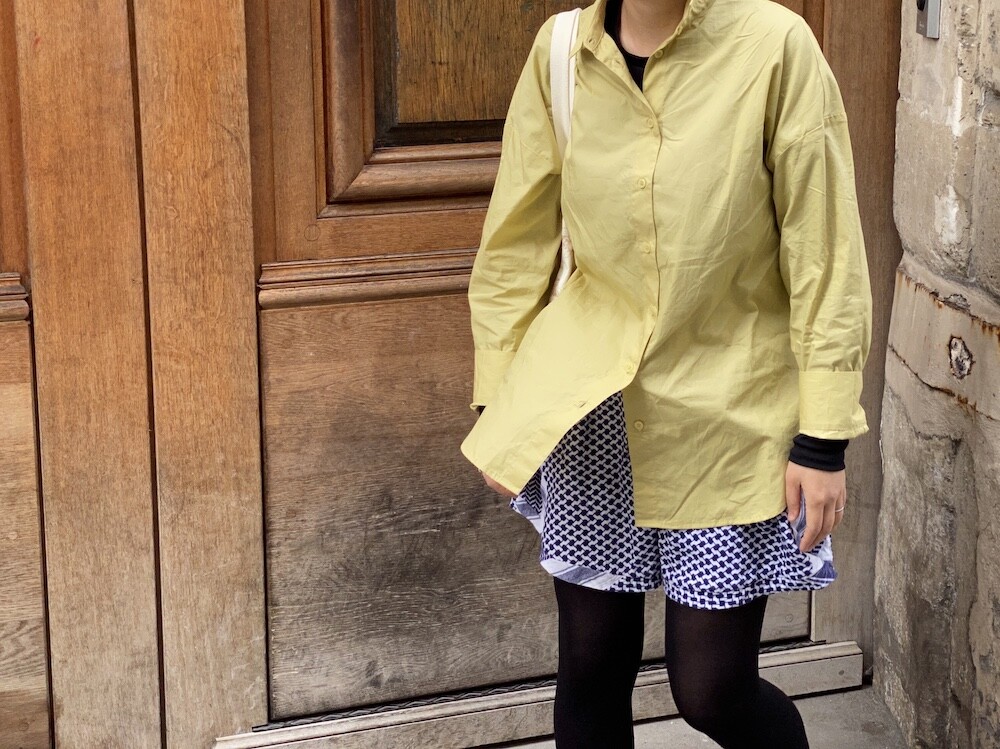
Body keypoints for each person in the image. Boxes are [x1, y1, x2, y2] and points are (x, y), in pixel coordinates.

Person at [460, 0, 872, 746]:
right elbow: (515, 241)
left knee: (712, 689)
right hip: (591, 410)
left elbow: (826, 254)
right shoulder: (561, 51)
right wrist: (500, 402)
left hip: (729, 412)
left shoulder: (775, 46)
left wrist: (822, 439)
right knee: (590, 667)